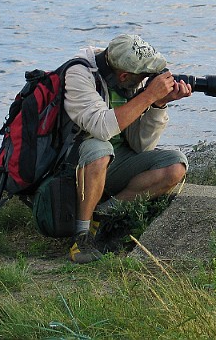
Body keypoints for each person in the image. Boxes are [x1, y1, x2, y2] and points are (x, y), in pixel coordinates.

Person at [63, 34, 192, 263]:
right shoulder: (79, 74)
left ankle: (104, 215)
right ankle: (81, 237)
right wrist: (150, 95)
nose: (148, 80)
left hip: (116, 161)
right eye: (145, 77)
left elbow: (142, 145)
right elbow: (102, 128)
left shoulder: (130, 77)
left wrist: (158, 104)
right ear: (124, 75)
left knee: (175, 166)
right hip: (77, 164)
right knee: (100, 149)